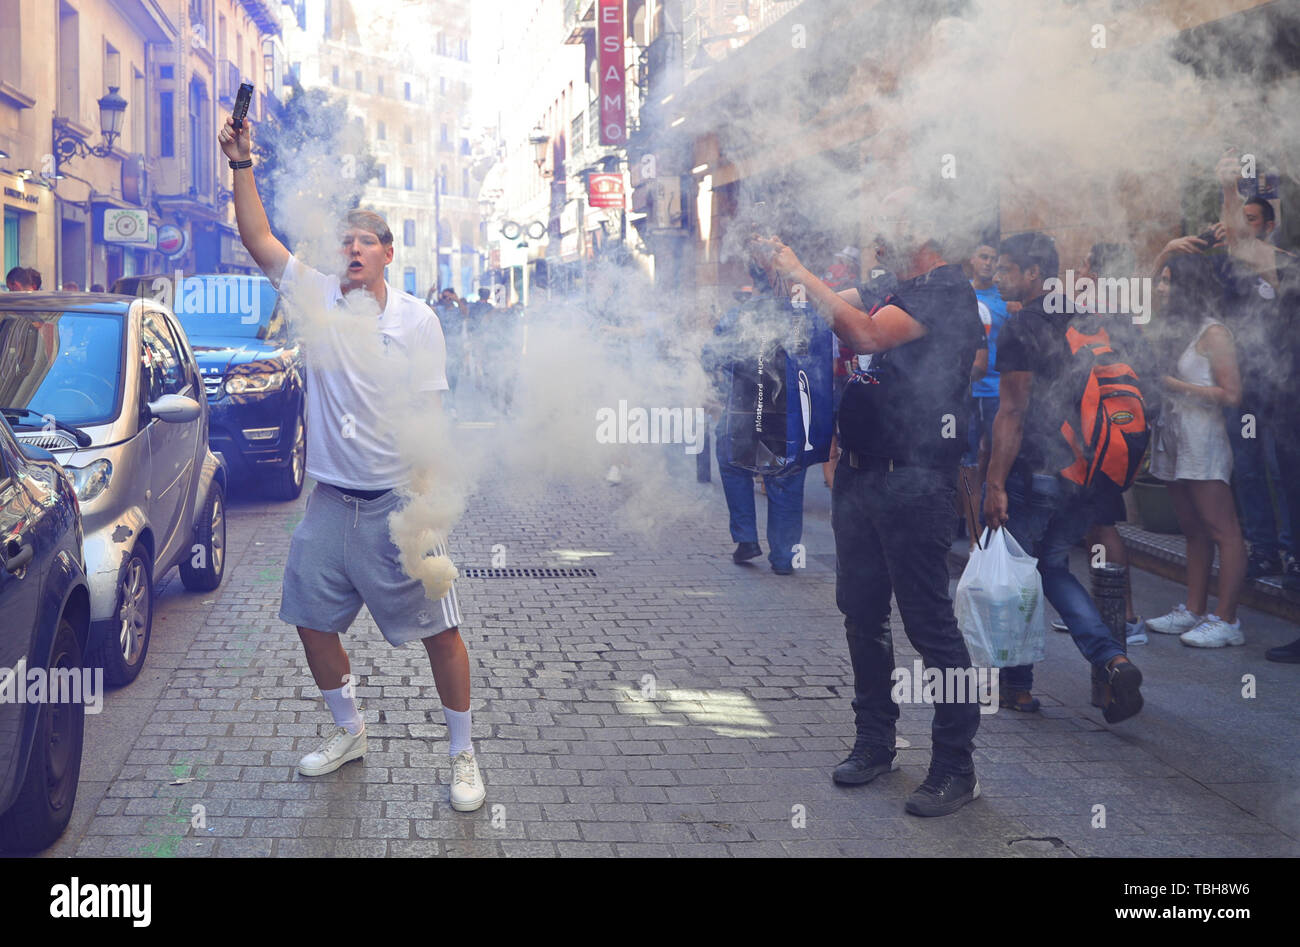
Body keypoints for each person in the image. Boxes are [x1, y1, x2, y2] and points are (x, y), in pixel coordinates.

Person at [218, 112, 485, 811]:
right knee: (309, 617)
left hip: (398, 504)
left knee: (442, 631)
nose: (354, 249)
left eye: (366, 240)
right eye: (346, 241)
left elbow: (430, 419)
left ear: (389, 253)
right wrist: (242, 162)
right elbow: (256, 237)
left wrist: (429, 515)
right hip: (332, 503)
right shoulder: (316, 295)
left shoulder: (418, 321)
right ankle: (349, 730)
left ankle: (463, 754)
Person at [753, 206, 986, 818]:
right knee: (861, 614)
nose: (881, 232)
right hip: (859, 475)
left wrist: (801, 268)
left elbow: (864, 334)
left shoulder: (948, 292)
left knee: (929, 624)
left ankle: (956, 765)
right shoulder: (895, 285)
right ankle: (876, 741)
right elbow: (819, 304)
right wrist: (782, 268)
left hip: (916, 479)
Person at [984, 231, 1144, 723]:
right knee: (1052, 569)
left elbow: (1012, 411)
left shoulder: (1021, 327)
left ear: (1033, 274)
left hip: (1035, 471)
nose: (996, 276)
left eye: (1006, 269)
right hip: (1083, 472)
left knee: (1018, 576)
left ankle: (1019, 687)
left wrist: (993, 483)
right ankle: (1112, 660)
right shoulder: (1082, 316)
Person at [1143, 254, 1246, 646]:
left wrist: (1176, 385)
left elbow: (1232, 394)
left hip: (1203, 438)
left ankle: (1228, 620)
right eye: (1161, 279)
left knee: (1224, 530)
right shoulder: (1176, 328)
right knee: (1192, 529)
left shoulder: (1214, 333)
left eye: (1169, 281)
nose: (1161, 287)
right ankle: (1194, 609)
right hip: (1173, 435)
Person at [1050, 242, 1149, 644]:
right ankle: (1105, 612)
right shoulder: (1120, 310)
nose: (1081, 271)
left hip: (1103, 436)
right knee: (1094, 524)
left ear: (1093, 269)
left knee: (1103, 524)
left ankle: (1125, 619)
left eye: (1086, 265)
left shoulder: (1099, 313)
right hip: (1105, 433)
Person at [709, 274, 809, 575]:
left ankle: (746, 538)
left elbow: (712, 357)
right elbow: (818, 365)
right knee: (785, 478)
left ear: (752, 279)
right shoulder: (801, 317)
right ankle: (783, 556)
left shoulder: (737, 315)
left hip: (742, 409)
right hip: (787, 414)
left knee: (733, 465)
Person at [433, 288, 468, 417]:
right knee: (442, 378)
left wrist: (457, 300)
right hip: (441, 348)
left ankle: (452, 404)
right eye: (444, 297)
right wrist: (429, 295)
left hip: (456, 349)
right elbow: (426, 311)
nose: (446, 300)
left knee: (453, 378)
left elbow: (465, 313)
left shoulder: (458, 310)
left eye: (449, 297)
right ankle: (443, 404)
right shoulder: (439, 310)